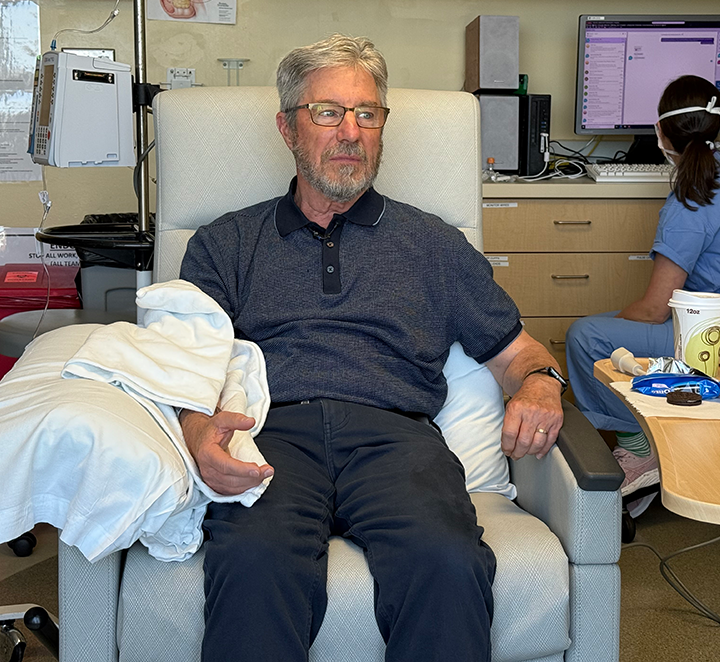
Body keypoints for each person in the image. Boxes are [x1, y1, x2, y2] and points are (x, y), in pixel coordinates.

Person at [177, 34, 566, 662]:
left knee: (446, 561)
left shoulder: (434, 245)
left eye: (367, 114)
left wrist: (542, 384)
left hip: (397, 440)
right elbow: (183, 366)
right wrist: (197, 432)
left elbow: (517, 351)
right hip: (270, 435)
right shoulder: (225, 244)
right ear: (288, 128)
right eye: (328, 113)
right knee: (251, 562)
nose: (350, 132)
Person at [565, 75, 720, 516]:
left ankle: (639, 449)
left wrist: (617, 321)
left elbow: (655, 309)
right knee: (613, 325)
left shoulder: (687, 201)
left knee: (586, 335)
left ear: (661, 133)